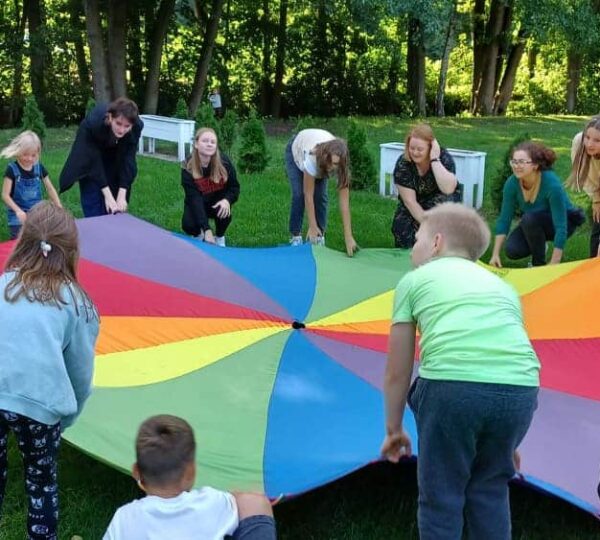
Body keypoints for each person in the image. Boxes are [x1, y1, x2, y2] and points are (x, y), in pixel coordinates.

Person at [381, 202, 539, 540]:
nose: (413, 247)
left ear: (436, 243)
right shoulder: (504, 288)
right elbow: (505, 356)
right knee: (490, 490)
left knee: (443, 495)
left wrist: (394, 428)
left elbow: (398, 370)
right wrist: (504, 442)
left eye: (417, 239)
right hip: (521, 392)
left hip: (452, 391)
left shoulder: (415, 280)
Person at [0, 201, 99, 539]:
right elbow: (81, 376)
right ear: (71, 250)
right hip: (41, 409)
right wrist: (65, 419)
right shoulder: (76, 301)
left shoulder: (4, 284)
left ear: (23, 241)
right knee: (41, 483)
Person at [103, 415, 277, 540]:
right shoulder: (213, 502)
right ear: (191, 472)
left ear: (136, 472)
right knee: (253, 502)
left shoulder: (124, 518)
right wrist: (246, 496)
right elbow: (242, 502)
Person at [489, 141, 584, 267]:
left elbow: (561, 226)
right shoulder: (512, 184)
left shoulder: (552, 185)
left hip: (565, 222)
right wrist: (495, 254)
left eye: (522, 162)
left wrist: (555, 261)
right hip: (534, 221)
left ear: (535, 165)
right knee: (513, 250)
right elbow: (504, 220)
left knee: (529, 218)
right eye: (514, 161)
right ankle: (539, 244)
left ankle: (538, 264)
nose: (517, 166)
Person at [59, 97, 143, 217]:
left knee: (116, 206)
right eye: (118, 123)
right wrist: (107, 195)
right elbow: (94, 162)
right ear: (110, 117)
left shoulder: (136, 127)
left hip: (115, 155)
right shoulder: (93, 124)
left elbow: (128, 159)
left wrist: (122, 193)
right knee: (94, 201)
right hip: (90, 159)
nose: (121, 130)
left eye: (126, 126)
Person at [285, 128, 358, 256]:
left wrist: (348, 236)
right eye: (330, 162)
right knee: (299, 195)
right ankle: (295, 236)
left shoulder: (341, 165)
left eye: (335, 164)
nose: (331, 167)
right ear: (326, 156)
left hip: (319, 158)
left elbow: (344, 204)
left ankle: (319, 236)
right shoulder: (313, 158)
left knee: (321, 196)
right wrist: (312, 225)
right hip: (296, 150)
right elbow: (308, 195)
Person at [391, 123, 461, 248]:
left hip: (440, 201)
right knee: (401, 229)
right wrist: (427, 225)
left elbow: (448, 189)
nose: (415, 153)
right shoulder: (403, 164)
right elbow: (410, 202)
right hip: (415, 203)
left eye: (420, 149)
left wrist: (434, 160)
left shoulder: (444, 158)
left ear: (430, 147)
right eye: (412, 148)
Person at [181, 128, 240, 247]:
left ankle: (219, 237)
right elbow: (194, 199)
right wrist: (206, 229)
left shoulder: (224, 163)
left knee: (224, 211)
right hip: (198, 203)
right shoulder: (188, 167)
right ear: (196, 144)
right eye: (205, 141)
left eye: (213, 142)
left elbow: (234, 187)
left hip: (217, 203)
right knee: (188, 225)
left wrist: (227, 200)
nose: (209, 144)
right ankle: (199, 236)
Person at [1, 130, 62, 239]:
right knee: (20, 242)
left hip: (36, 214)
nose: (29, 159)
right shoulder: (12, 170)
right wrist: (18, 211)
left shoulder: (39, 168)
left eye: (33, 155)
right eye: (25, 154)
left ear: (38, 153)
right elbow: (5, 195)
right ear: (18, 151)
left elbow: (50, 188)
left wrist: (59, 206)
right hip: (17, 216)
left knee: (38, 240)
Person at [566, 115, 600, 257]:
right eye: (588, 137)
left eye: (597, 140)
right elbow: (584, 177)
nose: (590, 144)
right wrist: (597, 199)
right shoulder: (579, 142)